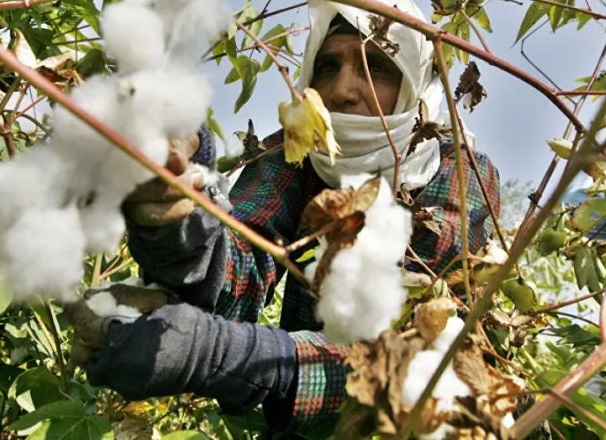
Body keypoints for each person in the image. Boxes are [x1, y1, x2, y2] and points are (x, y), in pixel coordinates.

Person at [67, 0, 500, 437]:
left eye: (377, 66)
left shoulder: (461, 175)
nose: (343, 90)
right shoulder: (294, 153)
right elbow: (242, 266)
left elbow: (415, 360)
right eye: (328, 66)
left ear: (416, 81)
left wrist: (232, 356)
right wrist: (179, 213)